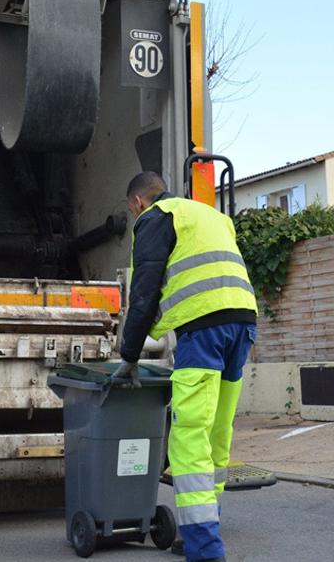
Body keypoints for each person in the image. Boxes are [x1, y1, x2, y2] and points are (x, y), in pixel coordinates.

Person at [111, 172, 258, 562]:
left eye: (131, 210)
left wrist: (129, 355)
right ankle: (204, 525)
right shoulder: (207, 214)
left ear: (139, 202)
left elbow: (144, 290)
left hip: (204, 328)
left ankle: (205, 547)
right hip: (242, 322)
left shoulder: (157, 217)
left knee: (189, 433)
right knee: (217, 430)